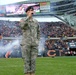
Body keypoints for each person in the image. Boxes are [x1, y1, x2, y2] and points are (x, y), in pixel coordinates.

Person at [19, 6, 40, 75]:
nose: (32, 11)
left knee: (33, 61)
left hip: (34, 44)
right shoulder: (23, 20)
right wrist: (28, 17)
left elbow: (38, 32)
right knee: (26, 61)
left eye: (33, 10)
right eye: (31, 10)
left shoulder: (36, 21)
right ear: (27, 12)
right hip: (26, 44)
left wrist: (37, 41)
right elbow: (22, 26)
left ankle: (33, 73)